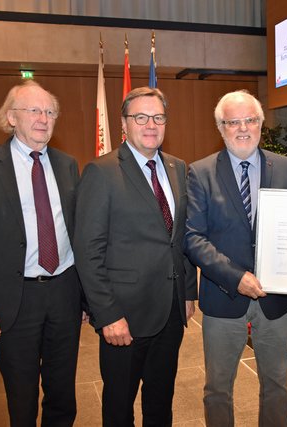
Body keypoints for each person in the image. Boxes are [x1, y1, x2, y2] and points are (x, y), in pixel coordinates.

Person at [0, 80, 83, 426]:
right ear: (11, 117)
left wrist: (85, 299)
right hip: (15, 298)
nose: (44, 118)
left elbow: (78, 234)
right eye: (34, 110)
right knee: (21, 394)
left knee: (62, 392)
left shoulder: (68, 164)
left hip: (64, 292)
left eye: (50, 111)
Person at [74, 87, 197, 426]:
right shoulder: (101, 172)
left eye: (158, 117)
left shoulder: (176, 166)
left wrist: (188, 292)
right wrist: (107, 314)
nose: (150, 124)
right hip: (123, 317)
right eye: (140, 117)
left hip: (170, 312)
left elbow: (179, 237)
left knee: (161, 401)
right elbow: (88, 252)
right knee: (119, 405)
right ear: (124, 123)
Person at [184, 90, 287, 426]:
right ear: (221, 127)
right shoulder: (201, 172)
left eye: (250, 120)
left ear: (261, 125)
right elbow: (193, 237)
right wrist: (236, 277)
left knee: (277, 385)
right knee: (218, 389)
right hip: (224, 298)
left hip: (275, 299)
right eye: (233, 122)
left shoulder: (285, 166)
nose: (242, 128)